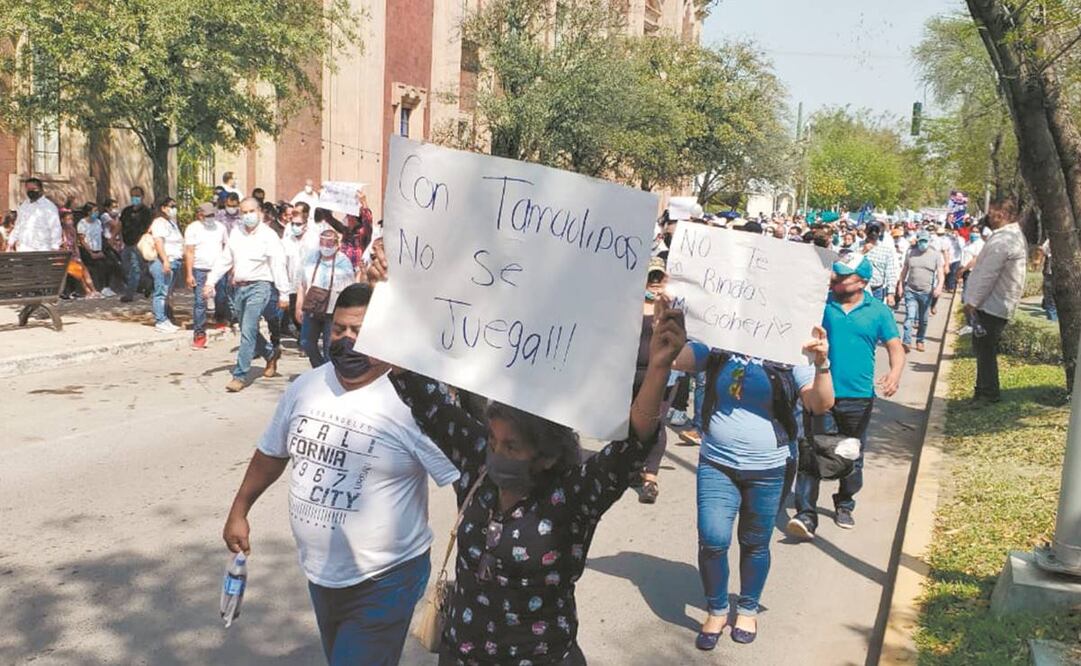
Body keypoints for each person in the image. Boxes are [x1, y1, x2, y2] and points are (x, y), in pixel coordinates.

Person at [364, 241, 686, 665]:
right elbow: (422, 393)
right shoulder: (477, 463)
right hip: (461, 653)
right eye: (495, 440)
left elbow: (632, 445)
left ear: (548, 455)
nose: (496, 452)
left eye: (511, 446)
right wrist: (386, 293)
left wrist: (660, 366)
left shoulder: (574, 497)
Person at [222, 283, 460, 666]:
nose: (347, 341)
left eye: (360, 332)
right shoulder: (306, 386)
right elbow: (272, 451)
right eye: (339, 329)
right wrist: (239, 509)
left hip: (387, 577)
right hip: (322, 576)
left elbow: (468, 478)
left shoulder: (413, 405)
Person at [669, 325, 834, 649]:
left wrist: (821, 364)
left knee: (755, 541)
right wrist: (668, 323)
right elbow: (677, 359)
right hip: (717, 462)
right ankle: (716, 608)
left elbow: (820, 403)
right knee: (713, 538)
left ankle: (747, 606)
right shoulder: (719, 341)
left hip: (770, 468)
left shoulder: (790, 349)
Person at [789, 255, 904, 538]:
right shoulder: (821, 304)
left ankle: (845, 502)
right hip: (819, 392)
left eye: (844, 278)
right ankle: (806, 515)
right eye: (836, 277)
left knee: (850, 454)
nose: (837, 281)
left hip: (858, 398)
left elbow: (895, 347)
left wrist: (895, 374)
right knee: (811, 451)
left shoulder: (878, 311)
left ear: (863, 282)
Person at [204, 197, 290, 392]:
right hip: (239, 288)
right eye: (244, 212)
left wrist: (284, 293)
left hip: (260, 286)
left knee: (249, 329)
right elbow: (225, 259)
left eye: (251, 211)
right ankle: (270, 354)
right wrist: (210, 281)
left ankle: (240, 375)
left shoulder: (269, 236)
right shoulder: (237, 233)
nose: (247, 215)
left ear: (260, 212)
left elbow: (278, 264)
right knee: (245, 329)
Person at [963, 200, 1028, 403]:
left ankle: (988, 392)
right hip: (994, 303)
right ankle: (983, 389)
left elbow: (988, 275)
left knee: (985, 350)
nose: (990, 216)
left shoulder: (1006, 240)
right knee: (983, 349)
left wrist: (972, 302)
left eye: (994, 212)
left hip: (993, 305)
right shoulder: (1007, 236)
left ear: (1004, 214)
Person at [296, 230, 357, 368]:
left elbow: (349, 288)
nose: (326, 246)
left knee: (330, 348)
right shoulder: (311, 257)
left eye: (330, 243)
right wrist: (299, 305)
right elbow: (301, 283)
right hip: (312, 307)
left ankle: (328, 373)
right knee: (306, 342)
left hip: (333, 311)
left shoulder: (343, 261)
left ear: (337, 244)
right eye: (323, 243)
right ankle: (319, 368)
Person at [185, 202, 229, 349]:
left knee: (221, 296)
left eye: (212, 215)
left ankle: (220, 318)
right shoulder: (192, 229)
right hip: (200, 269)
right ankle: (199, 334)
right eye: (207, 215)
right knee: (200, 302)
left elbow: (226, 247)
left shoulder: (220, 228)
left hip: (218, 269)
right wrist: (189, 273)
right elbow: (189, 251)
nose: (211, 218)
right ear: (200, 215)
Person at [898, 230, 943, 353]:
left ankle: (920, 340)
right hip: (911, 290)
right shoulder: (911, 253)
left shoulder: (936, 255)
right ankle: (906, 342)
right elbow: (904, 271)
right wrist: (900, 286)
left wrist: (939, 287)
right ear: (917, 241)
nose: (923, 243)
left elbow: (940, 273)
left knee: (923, 320)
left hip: (926, 292)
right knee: (909, 317)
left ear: (929, 242)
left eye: (925, 241)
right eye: (921, 241)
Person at [148, 198, 184, 333]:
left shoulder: (171, 223)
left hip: (175, 260)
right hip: (163, 261)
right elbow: (159, 242)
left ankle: (166, 318)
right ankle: (160, 320)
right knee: (161, 291)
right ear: (163, 208)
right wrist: (165, 260)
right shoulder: (159, 223)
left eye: (175, 206)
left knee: (168, 292)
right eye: (171, 206)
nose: (174, 209)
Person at [119, 186, 153, 302]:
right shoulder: (126, 211)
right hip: (127, 243)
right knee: (127, 268)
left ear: (143, 197)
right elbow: (120, 225)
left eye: (137, 195)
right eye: (133, 195)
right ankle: (148, 283)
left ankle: (129, 294)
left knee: (135, 269)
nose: (135, 198)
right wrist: (115, 237)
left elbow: (149, 227)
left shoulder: (146, 212)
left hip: (139, 244)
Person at [11, 178, 61, 252]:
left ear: (41, 189)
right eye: (28, 189)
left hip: (42, 250)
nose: (31, 191)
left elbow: (56, 229)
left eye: (34, 188)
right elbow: (18, 225)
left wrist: (54, 248)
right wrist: (11, 242)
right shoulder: (23, 206)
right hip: (22, 250)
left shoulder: (49, 207)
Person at [76, 203, 115, 296]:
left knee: (109, 263)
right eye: (95, 211)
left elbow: (100, 236)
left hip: (99, 249)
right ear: (89, 212)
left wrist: (101, 251)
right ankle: (100, 288)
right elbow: (82, 240)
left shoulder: (98, 222)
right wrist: (91, 253)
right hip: (87, 251)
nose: (97, 213)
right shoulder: (82, 223)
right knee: (100, 264)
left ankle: (107, 287)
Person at [862, 225, 900, 307]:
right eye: (871, 231)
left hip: (877, 290)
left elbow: (891, 273)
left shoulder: (886, 250)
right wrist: (862, 252)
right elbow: (848, 264)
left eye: (876, 231)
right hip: (859, 289)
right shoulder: (857, 246)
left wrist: (891, 293)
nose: (873, 233)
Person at [1040, 239, 1057, 322]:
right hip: (1056, 273)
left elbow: (1043, 250)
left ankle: (1052, 321)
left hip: (1050, 273)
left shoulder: (1051, 240)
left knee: (1050, 299)